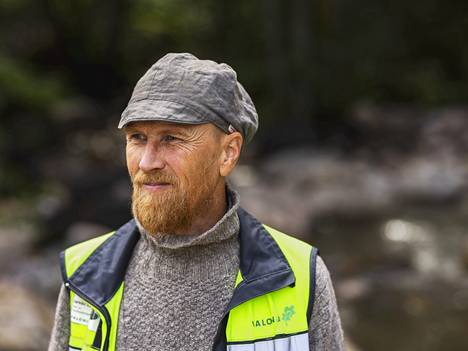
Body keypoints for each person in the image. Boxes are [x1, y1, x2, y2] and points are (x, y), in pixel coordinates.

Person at [48, 53, 344, 351]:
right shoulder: (83, 277)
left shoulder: (300, 278)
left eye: (171, 139)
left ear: (228, 152)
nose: (147, 162)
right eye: (137, 137)